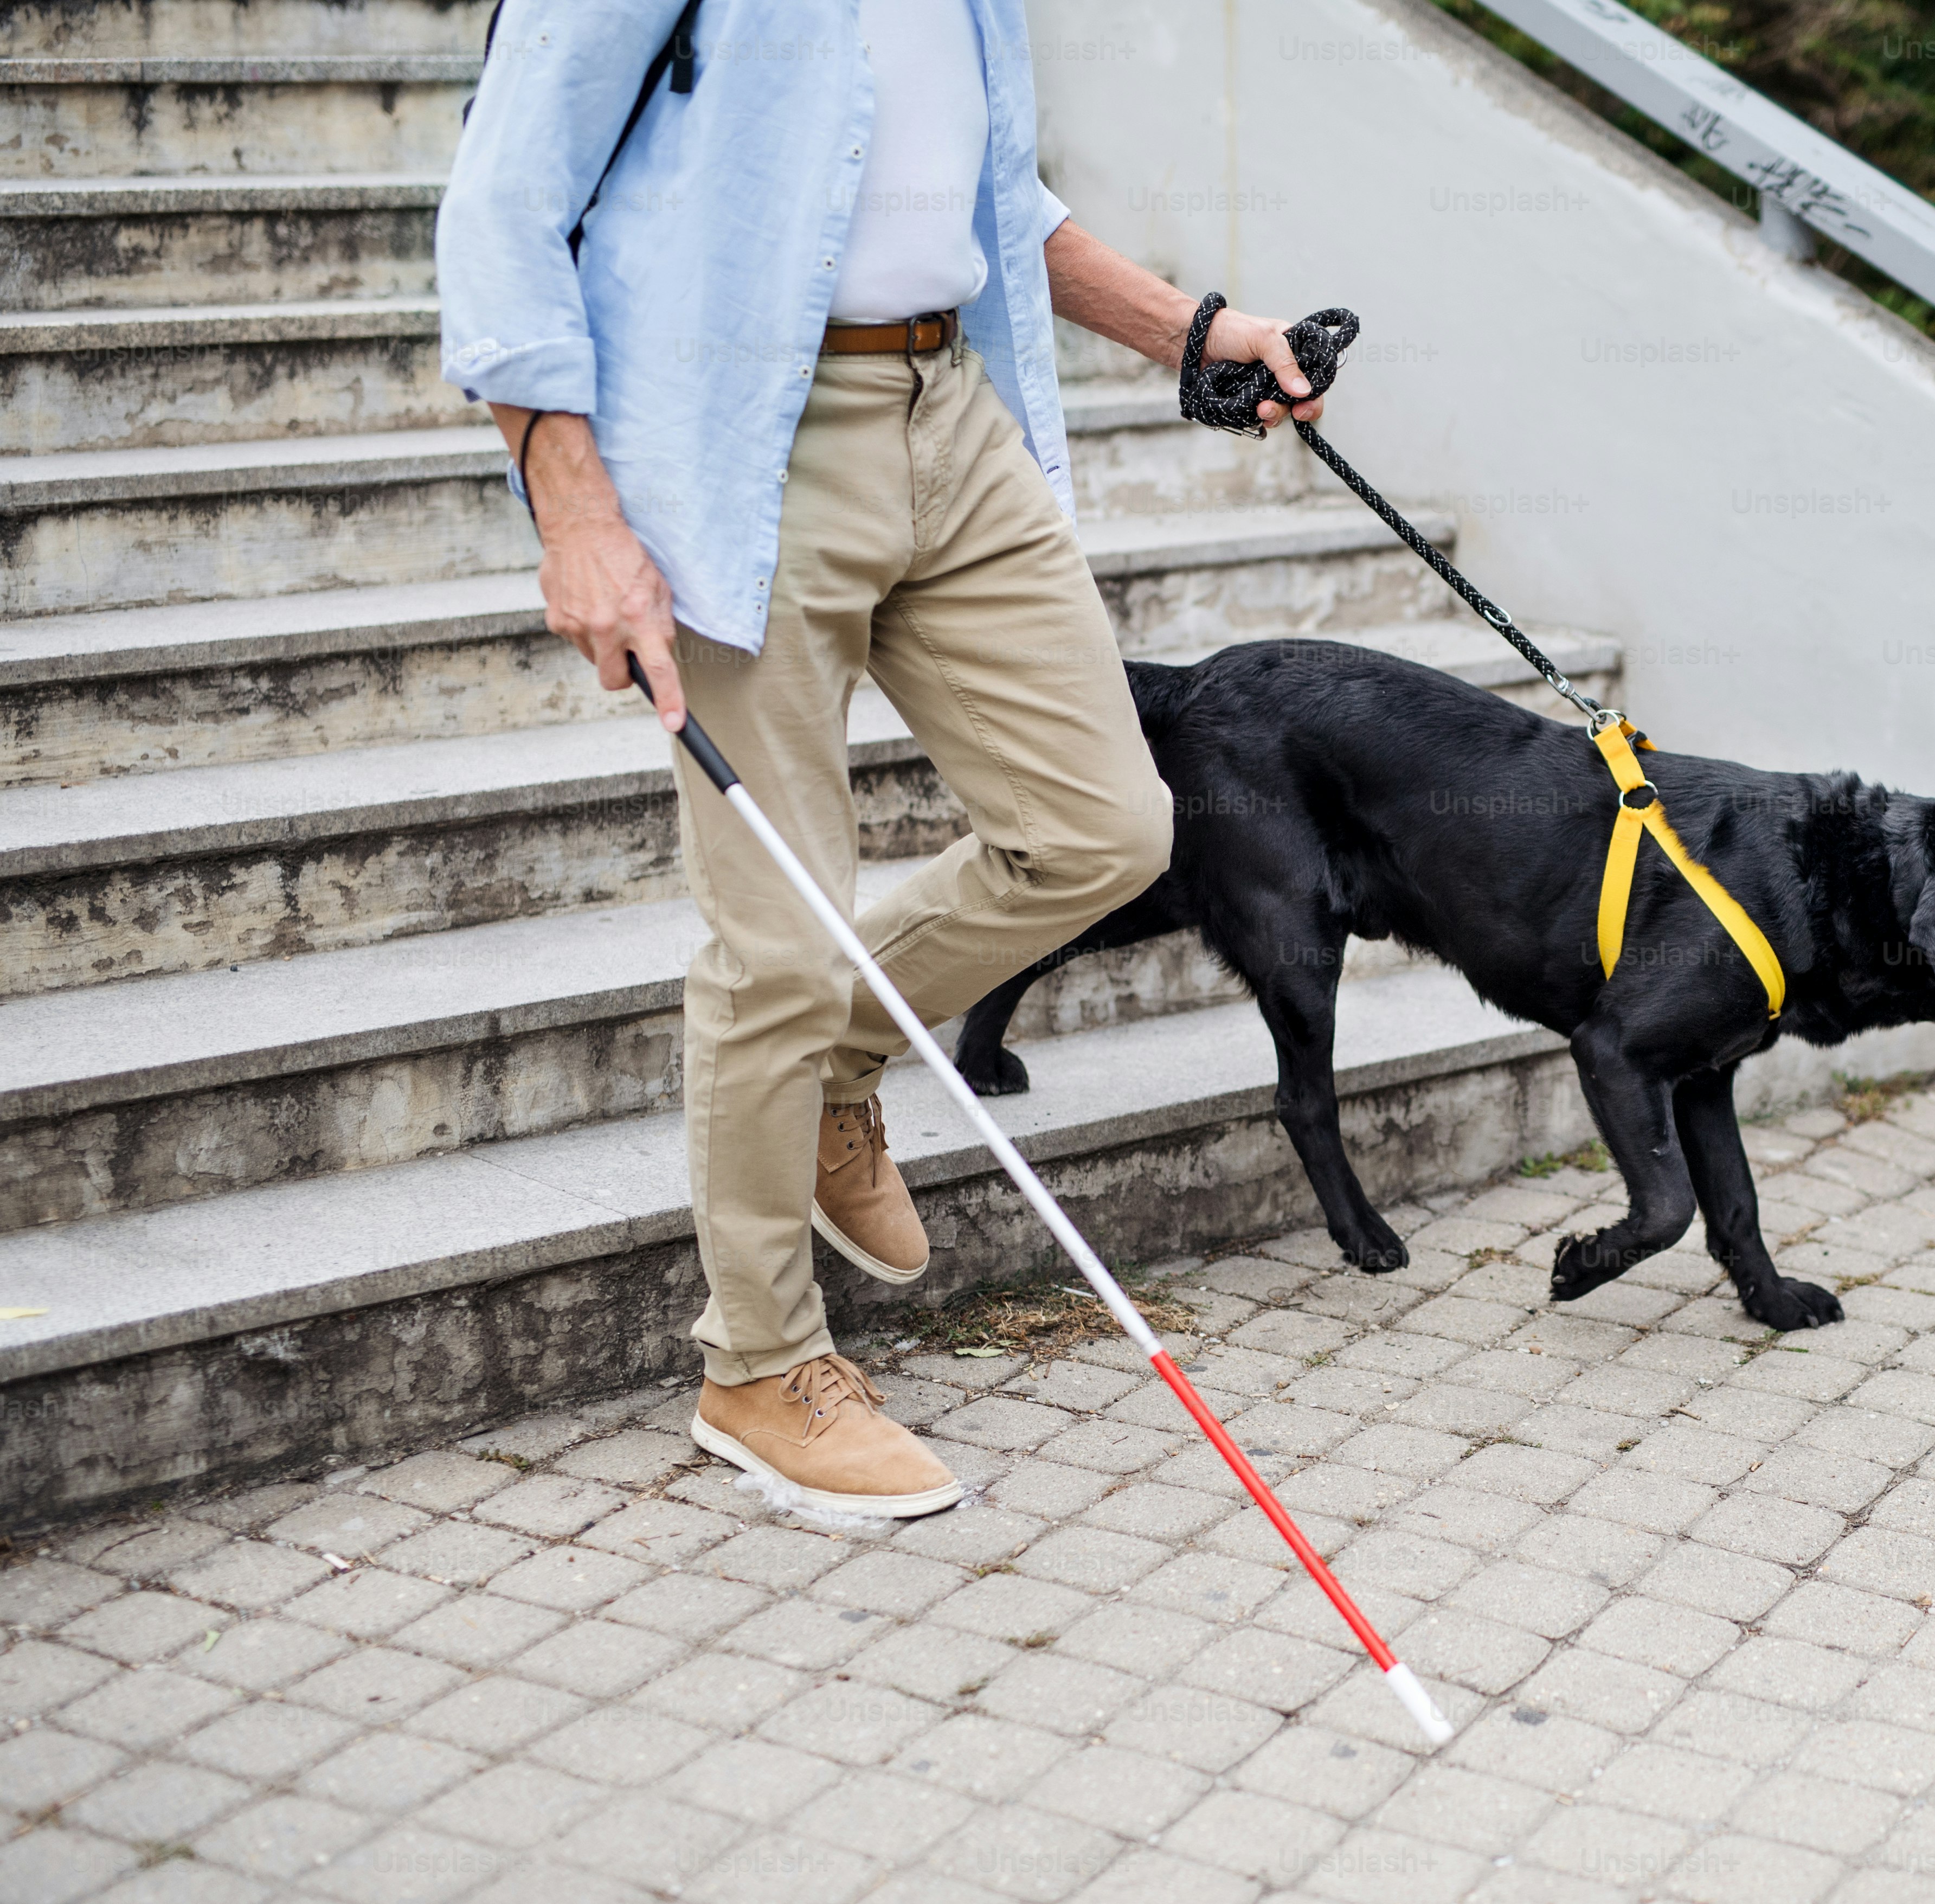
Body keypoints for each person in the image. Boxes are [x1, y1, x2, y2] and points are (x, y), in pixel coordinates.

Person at [437, 0, 1327, 1516]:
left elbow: (992, 193)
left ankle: (840, 1058)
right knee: (774, 937)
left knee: (1107, 828)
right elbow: (504, 205)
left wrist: (1192, 332)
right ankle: (760, 1367)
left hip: (952, 416)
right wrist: (575, 515)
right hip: (741, 437)